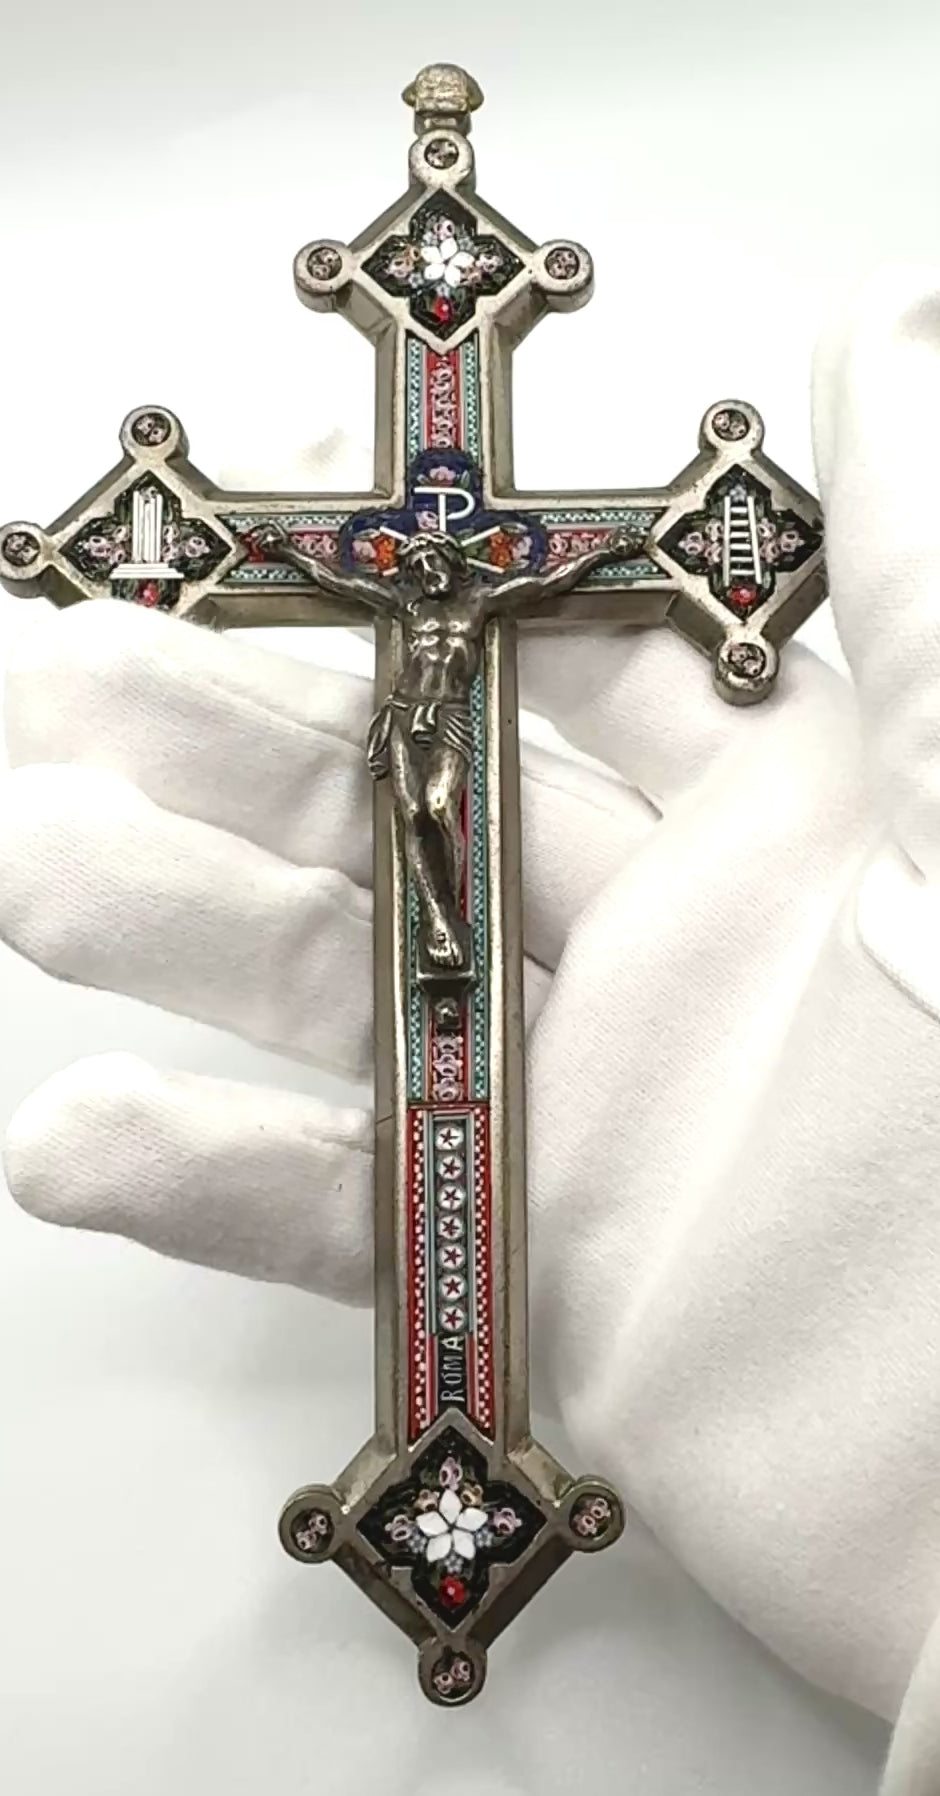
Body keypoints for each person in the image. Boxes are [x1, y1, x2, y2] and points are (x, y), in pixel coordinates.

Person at [5, 268, 940, 1792]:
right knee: (436, 896)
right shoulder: (418, 602)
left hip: (441, 786)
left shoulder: (490, 579)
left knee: (441, 889)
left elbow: (663, 548)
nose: (435, 581)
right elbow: (237, 557)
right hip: (418, 762)